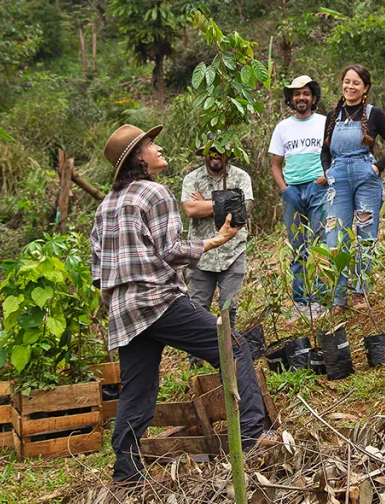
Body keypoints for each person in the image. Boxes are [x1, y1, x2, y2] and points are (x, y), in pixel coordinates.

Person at [91, 124, 265, 485]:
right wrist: (215, 241)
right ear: (138, 157)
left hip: (125, 313)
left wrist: (121, 298)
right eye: (151, 145)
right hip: (158, 299)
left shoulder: (105, 206)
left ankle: (126, 475)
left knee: (137, 392)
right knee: (233, 348)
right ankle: (253, 437)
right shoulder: (154, 193)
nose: (159, 148)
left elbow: (97, 270)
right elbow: (170, 252)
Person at [321, 64, 385, 312]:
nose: (350, 87)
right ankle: (338, 297)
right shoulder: (332, 115)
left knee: (366, 235)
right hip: (338, 179)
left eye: (356, 83)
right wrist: (328, 171)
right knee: (335, 236)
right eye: (347, 81)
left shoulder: (374, 113)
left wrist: (376, 168)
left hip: (366, 176)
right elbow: (324, 151)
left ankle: (360, 292)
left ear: (365, 87)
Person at [269, 75, 328, 320]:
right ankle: (302, 300)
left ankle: (323, 298)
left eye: (305, 93)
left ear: (313, 97)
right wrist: (285, 189)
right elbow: (275, 164)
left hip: (319, 188)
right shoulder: (283, 127)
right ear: (290, 99)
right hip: (292, 190)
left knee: (321, 242)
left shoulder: (325, 122)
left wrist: (326, 176)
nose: (301, 98)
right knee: (298, 246)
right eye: (296, 94)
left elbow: (333, 153)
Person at [180, 145, 254, 330]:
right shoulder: (192, 179)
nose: (215, 156)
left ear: (227, 154)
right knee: (197, 308)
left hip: (233, 251)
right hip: (201, 253)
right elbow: (190, 210)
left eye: (220, 151)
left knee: (229, 308)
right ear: (205, 154)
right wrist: (228, 201)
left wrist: (204, 204)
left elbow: (243, 210)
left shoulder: (240, 177)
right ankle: (196, 358)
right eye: (211, 152)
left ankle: (228, 355)